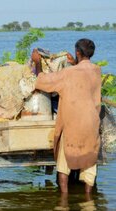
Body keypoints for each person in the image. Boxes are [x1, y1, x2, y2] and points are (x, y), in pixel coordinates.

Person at [32, 38, 101, 193]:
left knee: (64, 166)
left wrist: (37, 63)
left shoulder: (68, 73)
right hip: (91, 123)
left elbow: (42, 81)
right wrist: (75, 63)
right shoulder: (96, 71)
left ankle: (63, 200)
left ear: (77, 52)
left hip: (72, 124)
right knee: (89, 165)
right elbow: (83, 76)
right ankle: (89, 200)